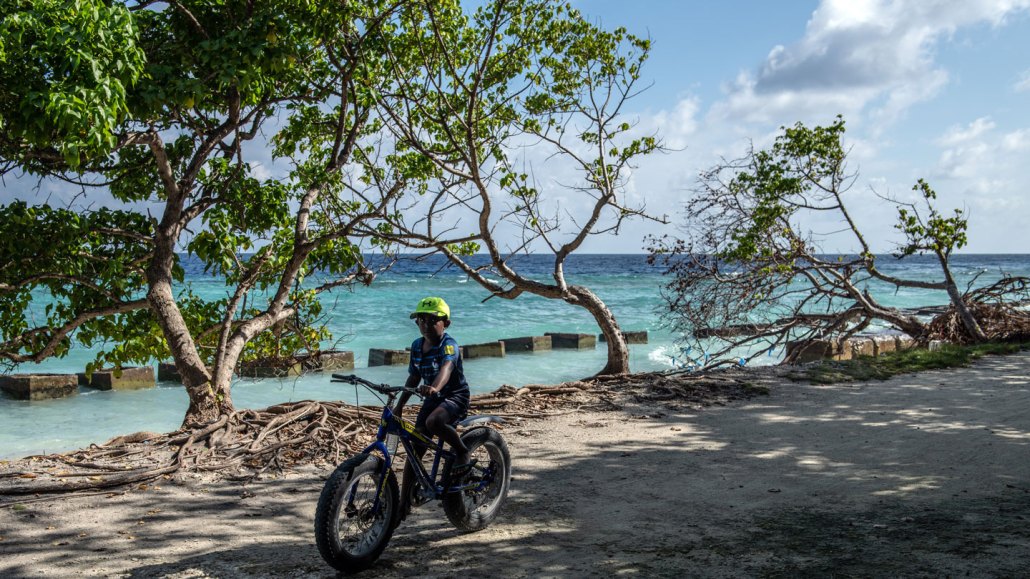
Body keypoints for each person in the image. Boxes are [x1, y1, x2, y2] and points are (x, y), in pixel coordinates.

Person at [403, 296, 473, 477]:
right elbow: (414, 376)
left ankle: (462, 451)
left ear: (446, 323)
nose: (426, 324)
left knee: (433, 422)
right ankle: (404, 503)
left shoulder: (449, 345)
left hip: (455, 396)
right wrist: (399, 405)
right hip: (433, 399)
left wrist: (434, 387)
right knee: (415, 447)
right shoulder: (417, 345)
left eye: (433, 320)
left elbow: (446, 368)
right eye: (421, 319)